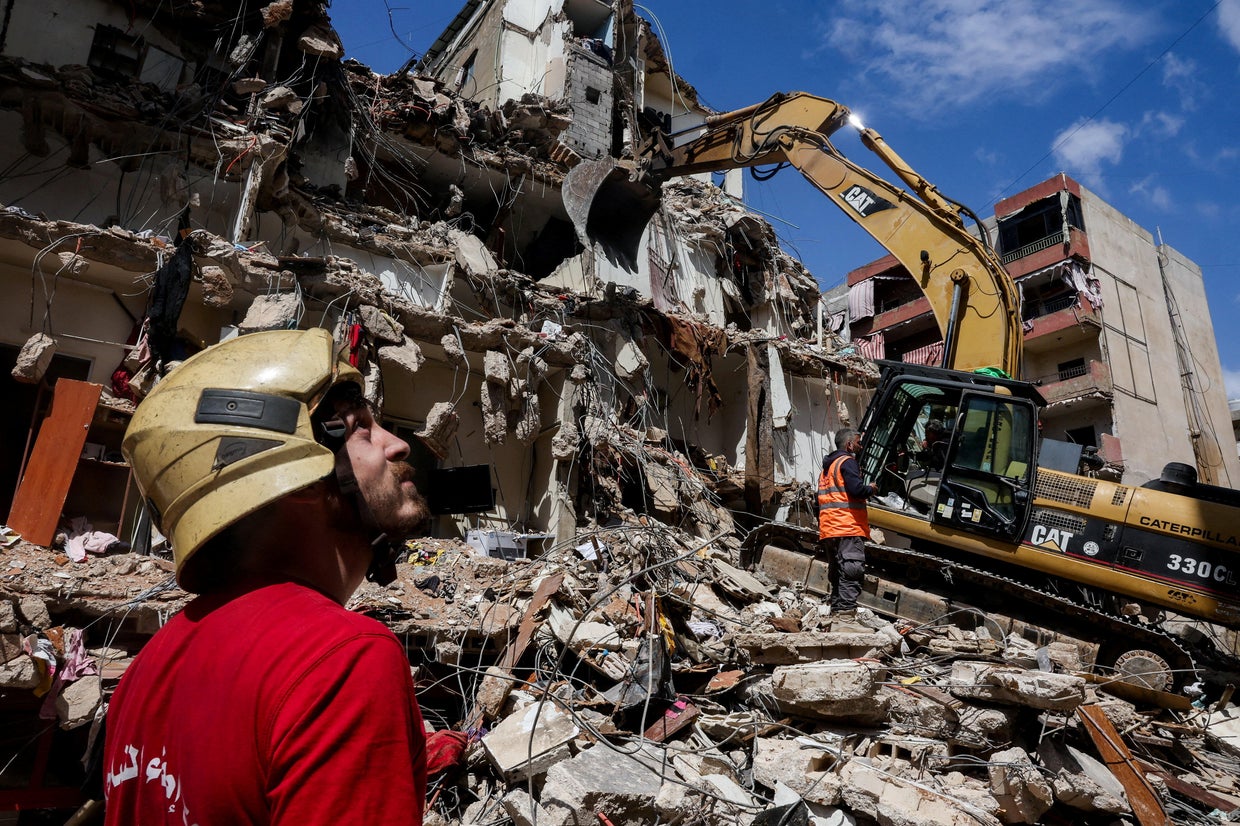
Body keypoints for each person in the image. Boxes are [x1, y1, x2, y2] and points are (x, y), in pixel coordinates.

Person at [103, 328, 433, 825]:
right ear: (296, 476)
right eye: (362, 427)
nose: (399, 444)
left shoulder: (145, 673)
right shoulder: (343, 661)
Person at [817, 428, 878, 625]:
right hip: (848, 526)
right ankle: (845, 620)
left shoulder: (827, 469)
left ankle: (836, 614)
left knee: (837, 574)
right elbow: (856, 490)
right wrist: (872, 489)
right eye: (858, 443)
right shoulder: (848, 462)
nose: (860, 446)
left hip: (829, 528)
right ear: (849, 445)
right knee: (851, 572)